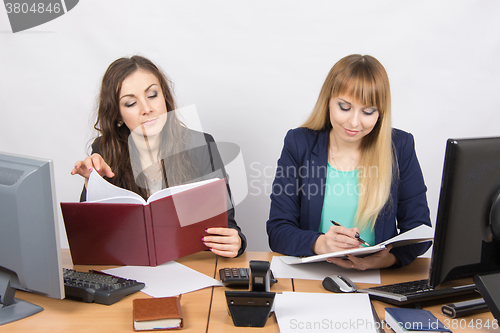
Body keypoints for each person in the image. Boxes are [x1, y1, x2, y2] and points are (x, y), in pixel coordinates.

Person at [266, 54, 431, 269]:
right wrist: (321, 243)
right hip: (312, 275)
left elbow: (420, 230)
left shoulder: (400, 147)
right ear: (328, 100)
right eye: (344, 107)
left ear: (380, 113)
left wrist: (388, 259)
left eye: (368, 111)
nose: (354, 122)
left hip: (377, 278)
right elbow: (278, 230)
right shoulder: (299, 143)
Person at [71, 55, 246, 258]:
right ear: (117, 115)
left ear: (165, 98)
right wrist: (90, 183)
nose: (147, 109)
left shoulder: (202, 146)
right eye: (130, 103)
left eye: (152, 95)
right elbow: (90, 238)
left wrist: (236, 242)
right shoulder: (104, 149)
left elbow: (228, 227)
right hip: (131, 271)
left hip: (191, 267)